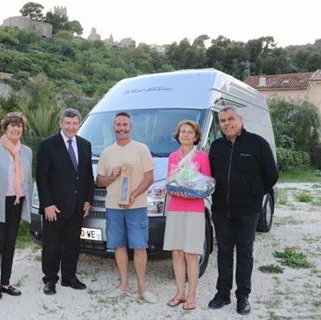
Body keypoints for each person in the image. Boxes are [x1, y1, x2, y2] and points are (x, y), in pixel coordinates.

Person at [207, 106, 278, 315]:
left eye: (230, 119)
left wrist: (255, 194)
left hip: (248, 211)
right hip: (221, 210)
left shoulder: (257, 143)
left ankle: (243, 296)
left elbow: (271, 175)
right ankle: (222, 294)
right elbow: (210, 175)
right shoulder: (216, 146)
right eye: (222, 120)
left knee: (245, 253)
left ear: (240, 120)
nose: (227, 123)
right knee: (224, 252)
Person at [96, 112, 157, 304]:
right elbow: (99, 181)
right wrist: (112, 177)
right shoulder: (107, 152)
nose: (121, 127)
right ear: (113, 127)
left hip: (136, 206)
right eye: (118, 124)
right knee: (118, 245)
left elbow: (149, 178)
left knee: (140, 246)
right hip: (114, 207)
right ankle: (123, 284)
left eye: (125, 124)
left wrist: (134, 194)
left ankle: (142, 287)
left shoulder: (141, 149)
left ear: (131, 127)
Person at [36, 108, 94, 295]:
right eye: (67, 123)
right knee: (51, 245)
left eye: (75, 123)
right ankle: (50, 279)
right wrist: (47, 204)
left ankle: (69, 277)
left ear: (79, 124)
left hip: (77, 206)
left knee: (72, 244)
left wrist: (88, 200)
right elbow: (41, 177)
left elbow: (87, 175)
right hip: (54, 207)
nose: (71, 127)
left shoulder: (85, 145)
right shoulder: (47, 145)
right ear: (61, 123)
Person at [0, 112, 33, 300]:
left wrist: (25, 206)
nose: (16, 128)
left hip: (16, 202)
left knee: (11, 243)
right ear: (5, 128)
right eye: (12, 125)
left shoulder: (27, 151)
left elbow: (28, 181)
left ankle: (5, 282)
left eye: (19, 125)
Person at [163, 120, 211, 311]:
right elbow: (169, 183)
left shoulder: (201, 157)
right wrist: (176, 190)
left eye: (190, 132)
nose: (185, 135)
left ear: (196, 136)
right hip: (175, 208)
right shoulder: (173, 156)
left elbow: (207, 185)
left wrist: (192, 191)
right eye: (183, 131)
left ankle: (192, 295)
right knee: (176, 252)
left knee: (191, 253)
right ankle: (180, 292)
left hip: (194, 209)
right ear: (178, 135)